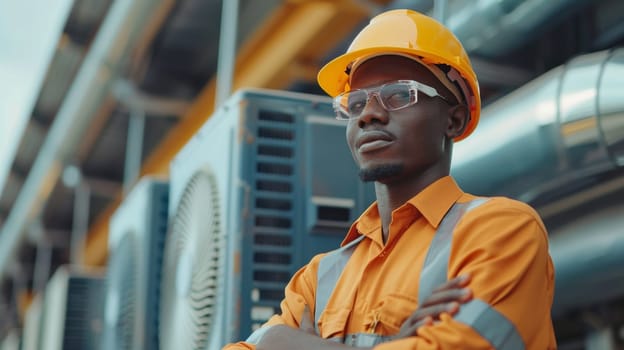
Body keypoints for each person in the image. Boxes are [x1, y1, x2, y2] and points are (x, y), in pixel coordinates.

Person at [223, 8, 556, 350]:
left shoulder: (501, 231)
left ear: (453, 121)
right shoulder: (318, 278)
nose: (368, 114)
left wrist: (285, 342)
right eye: (355, 103)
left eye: (399, 95)